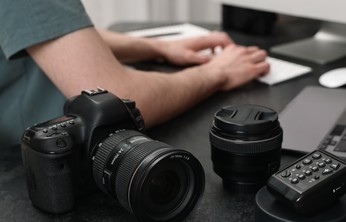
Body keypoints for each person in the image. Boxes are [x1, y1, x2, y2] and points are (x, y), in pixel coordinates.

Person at [0, 0, 269, 147]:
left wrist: (158, 47)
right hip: (31, 166)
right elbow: (117, 102)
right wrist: (217, 72)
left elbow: (58, 32)